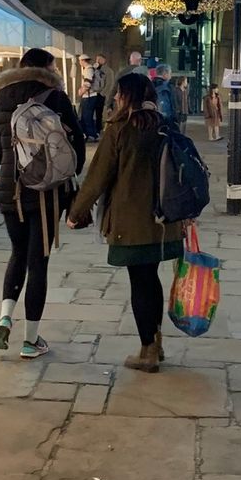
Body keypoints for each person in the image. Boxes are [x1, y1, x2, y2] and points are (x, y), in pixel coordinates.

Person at [66, 70, 182, 372]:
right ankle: (156, 343)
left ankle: (147, 351)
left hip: (132, 221)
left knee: (139, 282)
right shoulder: (165, 125)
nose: (115, 97)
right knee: (151, 278)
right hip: (164, 221)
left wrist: (76, 212)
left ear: (127, 96)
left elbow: (97, 177)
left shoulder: (120, 129)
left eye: (119, 93)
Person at [0, 48, 86, 356]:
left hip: (9, 190)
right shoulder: (55, 97)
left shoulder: (2, 96)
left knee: (17, 253)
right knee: (38, 261)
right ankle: (31, 340)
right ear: (47, 67)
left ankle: (5, 315)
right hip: (45, 191)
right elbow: (77, 144)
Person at [90, 54, 115, 133]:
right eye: (97, 59)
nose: (98, 61)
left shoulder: (108, 71)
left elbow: (110, 83)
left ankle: (99, 127)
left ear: (104, 60)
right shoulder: (94, 69)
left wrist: (103, 93)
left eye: (100, 59)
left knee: (100, 112)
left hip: (102, 94)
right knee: (94, 111)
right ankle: (95, 127)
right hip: (94, 93)